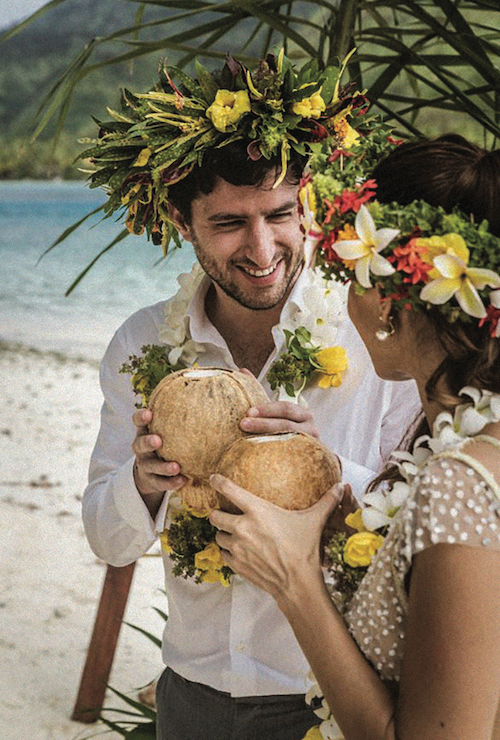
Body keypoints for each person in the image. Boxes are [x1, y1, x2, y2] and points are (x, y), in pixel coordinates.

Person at [81, 53, 420, 740]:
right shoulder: (141, 345)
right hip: (191, 696)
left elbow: (422, 532)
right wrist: (144, 483)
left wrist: (325, 471)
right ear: (182, 220)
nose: (263, 249)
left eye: (280, 214)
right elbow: (107, 540)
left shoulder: (377, 337)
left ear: (309, 208)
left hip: (332, 697)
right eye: (230, 222)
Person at [208, 134, 500, 740]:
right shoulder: (445, 436)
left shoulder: (460, 481)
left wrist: (294, 580)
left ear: (391, 302)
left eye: (349, 273)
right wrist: (348, 536)